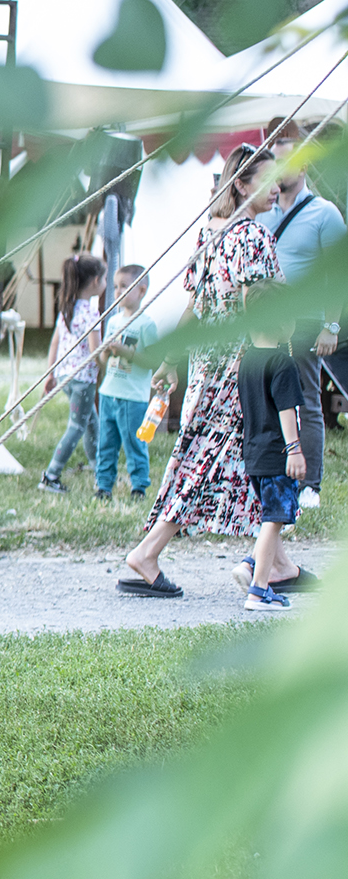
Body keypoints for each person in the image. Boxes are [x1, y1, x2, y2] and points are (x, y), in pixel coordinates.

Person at [120, 145, 286, 599]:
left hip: (205, 363)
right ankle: (148, 552)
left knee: (221, 457)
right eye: (269, 180)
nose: (278, 188)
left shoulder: (210, 233)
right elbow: (260, 309)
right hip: (239, 364)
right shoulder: (254, 236)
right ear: (242, 184)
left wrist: (173, 361)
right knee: (210, 461)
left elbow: (195, 301)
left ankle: (278, 561)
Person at [263, 148, 347, 501]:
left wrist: (332, 324)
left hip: (307, 322)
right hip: (265, 322)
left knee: (306, 401)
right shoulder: (263, 212)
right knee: (267, 400)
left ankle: (310, 483)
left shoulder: (324, 213)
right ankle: (273, 479)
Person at [233, 283, 307, 611]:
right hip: (278, 454)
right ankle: (259, 590)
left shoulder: (247, 360)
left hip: (254, 454)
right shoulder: (283, 363)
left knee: (271, 517)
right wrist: (294, 449)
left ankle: (252, 565)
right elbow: (286, 411)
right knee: (274, 519)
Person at [39, 254, 107, 494]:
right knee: (78, 426)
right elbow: (95, 351)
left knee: (91, 423)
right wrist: (108, 362)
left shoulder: (68, 308)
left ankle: (99, 469)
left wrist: (51, 373)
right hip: (83, 380)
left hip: (67, 376)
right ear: (96, 281)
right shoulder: (91, 313)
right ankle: (51, 475)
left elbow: (55, 343)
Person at [94, 264, 158, 501]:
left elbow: (152, 360)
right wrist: (106, 352)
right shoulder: (113, 322)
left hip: (133, 396)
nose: (118, 292)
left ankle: (139, 486)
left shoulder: (146, 324)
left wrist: (124, 351)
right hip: (109, 392)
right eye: (116, 287)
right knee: (106, 443)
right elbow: (103, 362)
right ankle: (103, 486)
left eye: (124, 287)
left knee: (134, 444)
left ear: (141, 291)